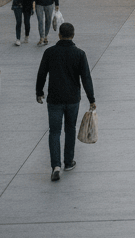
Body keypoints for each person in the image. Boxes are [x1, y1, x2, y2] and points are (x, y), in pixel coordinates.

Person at [36, 22, 95, 182]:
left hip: (54, 99)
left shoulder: (50, 52)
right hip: (72, 99)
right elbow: (86, 78)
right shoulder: (79, 54)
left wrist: (39, 91)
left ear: (59, 35)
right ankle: (68, 162)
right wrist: (91, 99)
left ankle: (55, 165)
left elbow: (42, 73)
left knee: (54, 132)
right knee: (70, 129)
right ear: (73, 35)